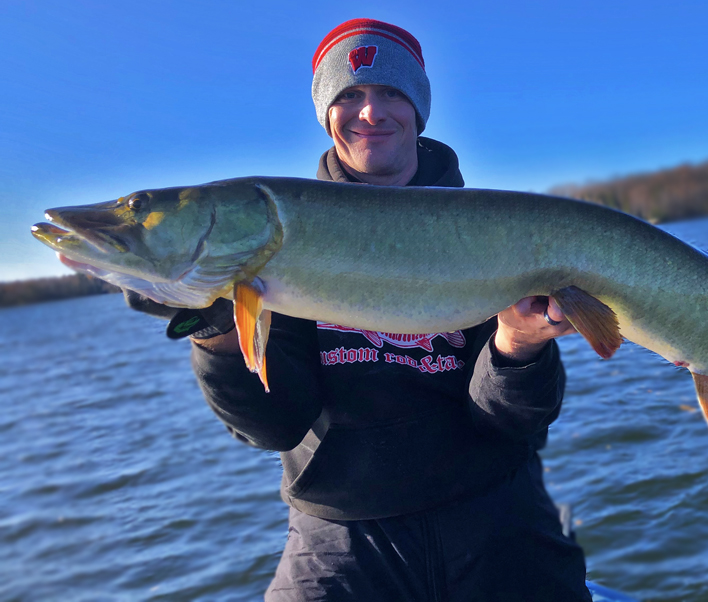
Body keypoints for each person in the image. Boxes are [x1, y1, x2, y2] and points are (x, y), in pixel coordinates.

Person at [129, 18, 592, 602]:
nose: (370, 113)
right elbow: (275, 425)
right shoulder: (277, 239)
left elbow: (513, 420)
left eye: (391, 92)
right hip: (339, 540)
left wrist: (519, 345)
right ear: (326, 113)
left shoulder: (493, 233)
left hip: (497, 513)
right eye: (349, 95)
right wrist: (216, 330)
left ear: (418, 109)